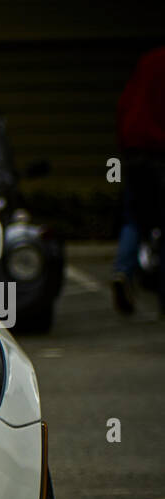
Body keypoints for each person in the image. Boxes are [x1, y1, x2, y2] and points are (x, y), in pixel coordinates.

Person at [112, 46, 165, 316]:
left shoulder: (147, 62)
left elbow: (125, 105)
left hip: (134, 152)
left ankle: (123, 270)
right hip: (159, 152)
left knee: (134, 217)